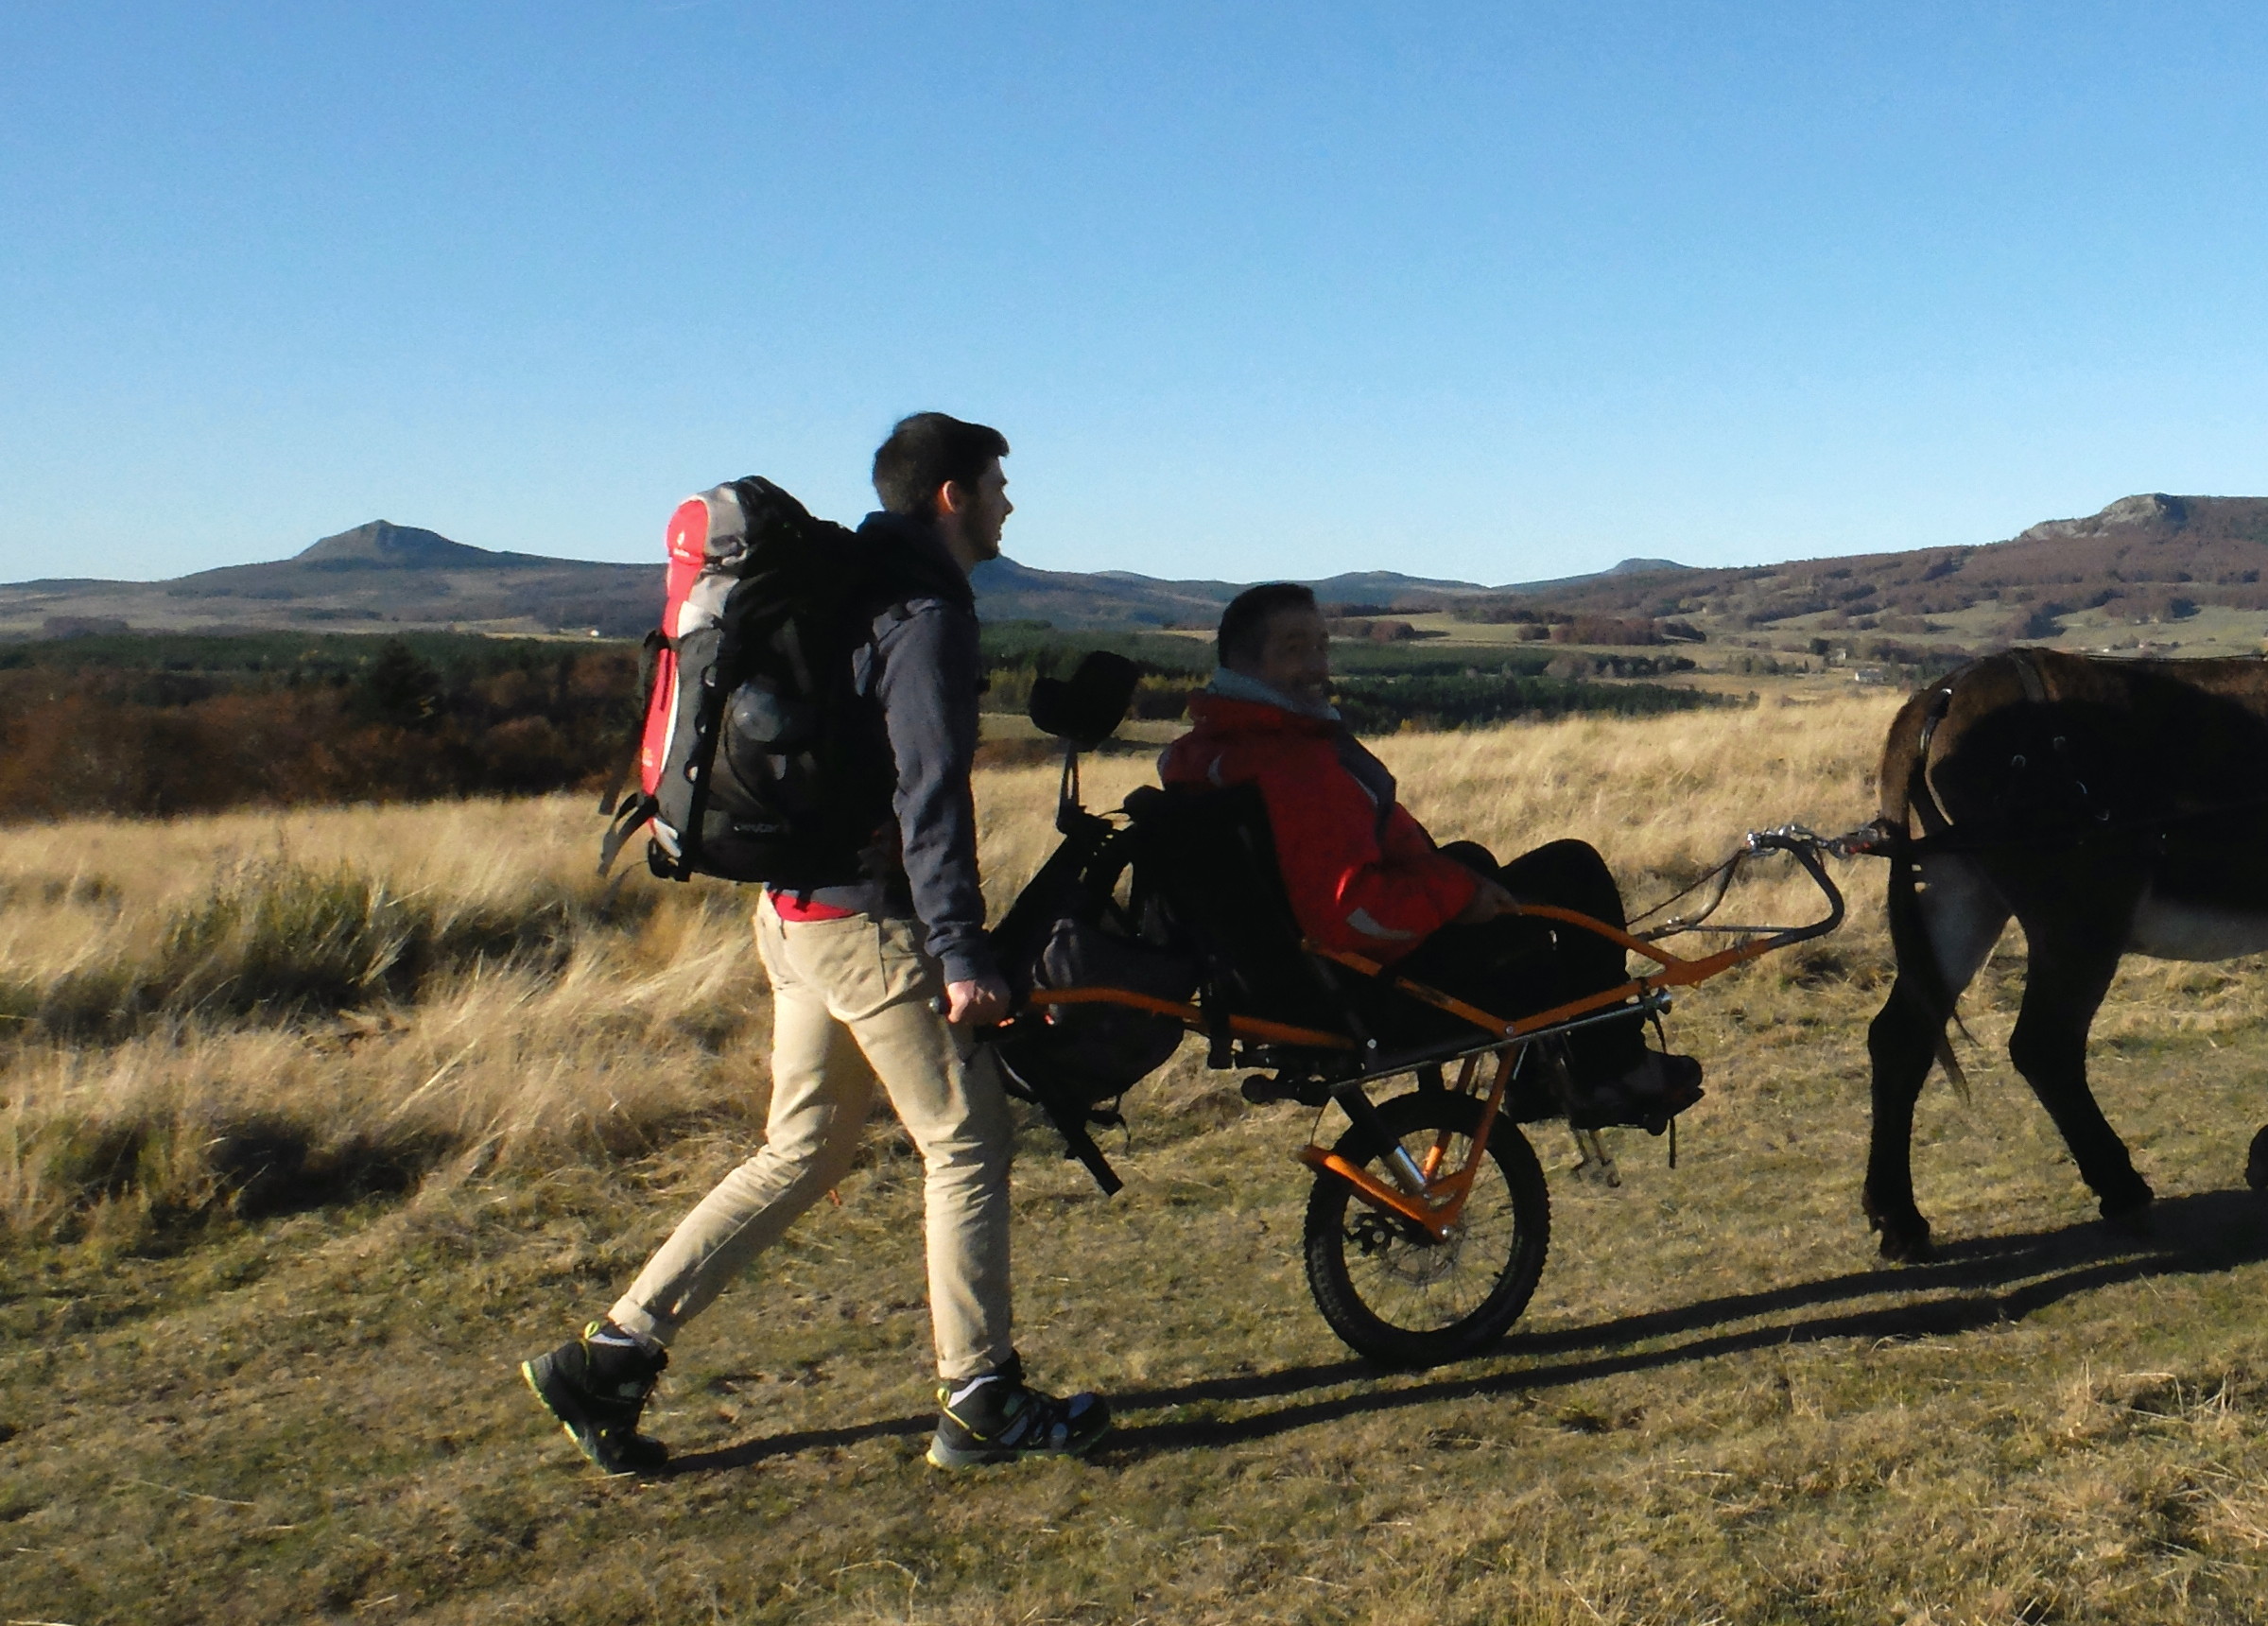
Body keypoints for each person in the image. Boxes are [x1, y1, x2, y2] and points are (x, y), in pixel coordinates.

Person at [522, 413, 1109, 1475]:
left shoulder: (843, 585)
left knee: (802, 1148)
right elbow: (930, 793)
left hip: (792, 915)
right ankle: (981, 1394)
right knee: (966, 1142)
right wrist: (962, 950)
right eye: (996, 484)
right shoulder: (923, 612)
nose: (1009, 503)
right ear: (950, 495)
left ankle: (609, 1354)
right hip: (870, 925)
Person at [1160, 582, 1702, 1125]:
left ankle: (1541, 1073)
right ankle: (1612, 1068)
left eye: (1322, 646)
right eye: (1295, 649)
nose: (1318, 667)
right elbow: (1352, 913)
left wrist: (1456, 876)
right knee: (1571, 870)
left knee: (1470, 857)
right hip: (1374, 987)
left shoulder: (1214, 749)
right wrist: (1458, 893)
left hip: (1307, 978)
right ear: (1241, 661)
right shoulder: (1293, 765)